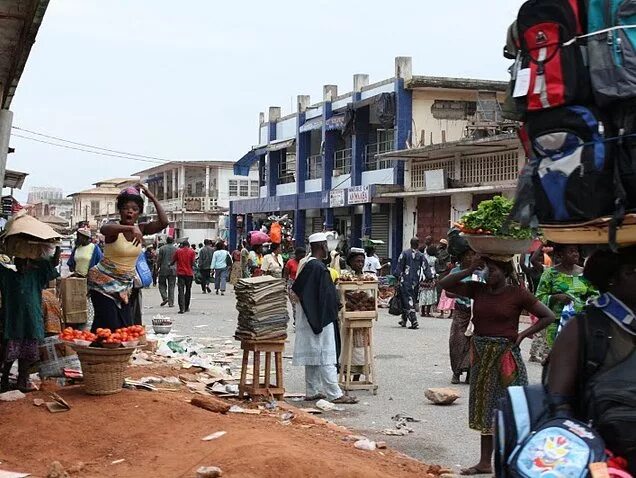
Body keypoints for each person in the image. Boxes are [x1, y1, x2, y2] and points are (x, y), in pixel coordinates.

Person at [439, 255, 555, 476]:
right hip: (481, 354)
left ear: (505, 272)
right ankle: (485, 462)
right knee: (485, 408)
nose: (488, 274)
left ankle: (515, 461)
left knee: (509, 408)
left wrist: (522, 335)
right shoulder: (477, 289)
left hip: (505, 356)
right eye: (486, 270)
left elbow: (547, 316)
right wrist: (470, 269)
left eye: (492, 270)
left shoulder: (517, 293)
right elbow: (444, 285)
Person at [546, 247, 636, 475]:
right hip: (604, 461)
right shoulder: (582, 328)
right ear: (612, 279)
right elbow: (558, 407)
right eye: (632, 270)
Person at [88, 185, 168, 332]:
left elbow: (164, 223)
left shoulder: (142, 229)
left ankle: (104, 352)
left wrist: (152, 198)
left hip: (125, 285)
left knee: (124, 327)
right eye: (126, 208)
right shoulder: (114, 228)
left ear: (138, 213)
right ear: (120, 210)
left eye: (135, 209)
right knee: (108, 326)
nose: (130, 211)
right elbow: (104, 229)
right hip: (102, 283)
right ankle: (97, 352)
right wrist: (130, 228)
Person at [291, 233, 358, 404]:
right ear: (322, 246)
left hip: (310, 317)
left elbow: (298, 291)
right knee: (326, 355)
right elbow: (324, 296)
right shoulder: (318, 268)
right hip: (321, 318)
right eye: (326, 245)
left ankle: (312, 390)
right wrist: (334, 307)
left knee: (314, 356)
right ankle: (334, 393)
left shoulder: (309, 265)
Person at [0, 247, 60, 392]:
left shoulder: (36, 275)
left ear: (31, 263)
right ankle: (4, 379)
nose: (22, 264)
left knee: (27, 353)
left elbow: (53, 263)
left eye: (25, 261)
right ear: (15, 262)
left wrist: (56, 245)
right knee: (9, 353)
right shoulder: (8, 276)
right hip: (13, 321)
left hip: (31, 320)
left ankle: (23, 379)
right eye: (19, 261)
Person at [535, 244, 597, 361]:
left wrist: (591, 301)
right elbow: (538, 299)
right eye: (571, 251)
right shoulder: (550, 274)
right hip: (556, 326)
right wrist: (555, 298)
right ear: (560, 255)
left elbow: (595, 294)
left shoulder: (585, 274)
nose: (575, 254)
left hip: (580, 324)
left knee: (577, 361)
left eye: (577, 251)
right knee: (556, 361)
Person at [446, 246, 476, 384]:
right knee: (456, 342)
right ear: (462, 257)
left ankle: (470, 372)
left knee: (473, 343)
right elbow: (448, 292)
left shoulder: (479, 272)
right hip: (460, 311)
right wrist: (461, 293)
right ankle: (456, 372)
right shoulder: (455, 272)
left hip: (475, 312)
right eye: (468, 255)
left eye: (473, 255)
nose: (471, 258)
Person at [395, 238, 431, 330]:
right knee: (408, 299)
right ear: (418, 244)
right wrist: (429, 277)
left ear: (410, 243)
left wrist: (397, 276)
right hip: (415, 282)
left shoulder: (405, 253)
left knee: (408, 300)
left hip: (405, 281)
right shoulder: (421, 255)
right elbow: (425, 266)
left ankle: (414, 320)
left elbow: (399, 266)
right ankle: (404, 320)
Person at [172, 240, 196, 314]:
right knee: (188, 290)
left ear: (182, 245)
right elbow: (193, 263)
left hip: (180, 273)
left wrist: (170, 264)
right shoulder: (192, 252)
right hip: (189, 274)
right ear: (188, 245)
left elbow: (173, 260)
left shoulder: (178, 251)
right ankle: (186, 307)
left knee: (181, 290)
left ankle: (181, 308)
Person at [284, 247, 305, 323]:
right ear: (296, 255)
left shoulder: (304, 262)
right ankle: (296, 321)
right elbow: (286, 274)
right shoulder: (290, 262)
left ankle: (301, 320)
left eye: (303, 256)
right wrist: (285, 285)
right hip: (292, 284)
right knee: (294, 304)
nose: (302, 258)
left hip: (302, 284)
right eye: (300, 256)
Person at [419, 245, 439, 317]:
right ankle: (428, 312)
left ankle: (422, 311)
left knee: (423, 292)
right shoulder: (435, 259)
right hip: (432, 276)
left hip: (424, 276)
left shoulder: (424, 258)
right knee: (430, 293)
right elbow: (437, 270)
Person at [157, 237, 177, 307]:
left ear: (166, 241)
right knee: (171, 286)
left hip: (163, 269)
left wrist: (157, 268)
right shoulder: (176, 249)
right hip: (173, 269)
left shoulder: (162, 248)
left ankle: (165, 297)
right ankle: (171, 303)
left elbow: (159, 259)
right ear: (173, 241)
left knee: (161, 284)